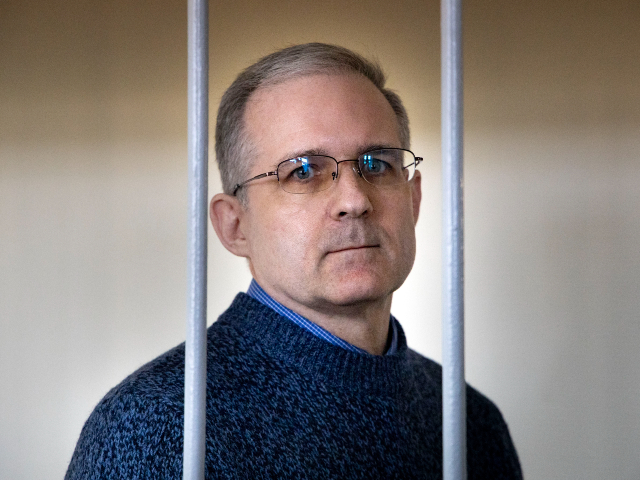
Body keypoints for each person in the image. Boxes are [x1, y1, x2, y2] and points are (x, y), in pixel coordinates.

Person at [66, 43, 522, 479]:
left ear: (414, 199)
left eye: (377, 163)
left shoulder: (469, 421)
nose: (354, 199)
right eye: (303, 171)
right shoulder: (164, 425)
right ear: (235, 226)